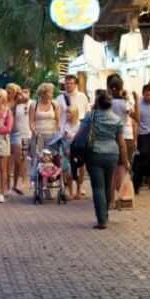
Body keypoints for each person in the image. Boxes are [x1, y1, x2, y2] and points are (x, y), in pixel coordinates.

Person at [83, 90, 128, 229]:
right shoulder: (117, 119)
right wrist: (125, 161)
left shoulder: (91, 116)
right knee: (109, 185)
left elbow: (81, 134)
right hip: (112, 155)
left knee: (98, 187)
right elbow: (121, 143)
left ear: (97, 103)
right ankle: (106, 214)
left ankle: (101, 220)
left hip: (95, 154)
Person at [56, 75, 90, 195]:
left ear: (75, 84)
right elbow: (58, 117)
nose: (68, 85)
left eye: (71, 83)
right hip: (65, 133)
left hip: (80, 132)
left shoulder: (82, 97)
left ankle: (80, 187)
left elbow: (87, 114)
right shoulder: (60, 98)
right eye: (66, 83)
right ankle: (68, 187)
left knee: (81, 163)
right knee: (67, 163)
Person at [107, 74, 136, 208]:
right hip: (125, 136)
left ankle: (111, 200)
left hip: (110, 137)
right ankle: (123, 198)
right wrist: (134, 99)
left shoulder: (106, 103)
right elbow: (137, 117)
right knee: (123, 169)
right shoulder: (125, 103)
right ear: (121, 87)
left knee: (111, 171)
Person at [9, 85, 32, 195]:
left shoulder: (26, 102)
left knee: (21, 159)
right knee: (12, 161)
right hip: (11, 134)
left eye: (13, 91)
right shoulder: (10, 104)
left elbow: (27, 98)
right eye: (9, 92)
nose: (11, 94)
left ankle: (22, 182)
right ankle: (13, 183)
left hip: (24, 133)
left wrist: (21, 94)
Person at [30, 82, 60, 152]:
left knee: (50, 157)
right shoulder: (34, 104)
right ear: (43, 93)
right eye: (50, 92)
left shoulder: (55, 104)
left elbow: (58, 120)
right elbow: (31, 121)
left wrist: (55, 132)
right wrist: (35, 132)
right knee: (37, 156)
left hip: (51, 135)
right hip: (38, 135)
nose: (52, 94)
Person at [61, 105, 81, 199]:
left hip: (77, 151)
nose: (67, 114)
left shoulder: (79, 125)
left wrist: (72, 136)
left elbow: (79, 137)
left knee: (77, 172)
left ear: (74, 114)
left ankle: (78, 191)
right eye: (67, 112)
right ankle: (70, 192)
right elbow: (64, 138)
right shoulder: (65, 125)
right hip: (67, 151)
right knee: (68, 173)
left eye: (69, 112)